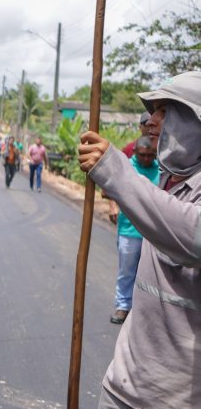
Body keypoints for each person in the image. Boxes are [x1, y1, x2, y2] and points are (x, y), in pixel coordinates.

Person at [77, 71, 201, 409]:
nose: (151, 121)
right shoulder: (168, 177)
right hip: (124, 384)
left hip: (176, 398)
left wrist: (116, 172)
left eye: (164, 112)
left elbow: (192, 235)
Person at [106, 136, 158, 325]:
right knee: (127, 272)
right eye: (143, 155)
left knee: (150, 274)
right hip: (129, 229)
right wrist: (113, 206)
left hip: (153, 231)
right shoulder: (125, 167)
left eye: (151, 155)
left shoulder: (160, 168)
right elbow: (109, 188)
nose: (146, 159)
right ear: (135, 151)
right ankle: (122, 306)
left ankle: (143, 310)